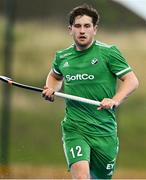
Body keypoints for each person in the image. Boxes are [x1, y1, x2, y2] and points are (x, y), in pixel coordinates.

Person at [42, 4, 139, 179]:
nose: (82, 31)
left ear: (95, 29)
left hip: (104, 130)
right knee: (81, 177)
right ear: (70, 29)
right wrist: (51, 89)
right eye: (77, 26)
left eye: (87, 26)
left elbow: (132, 81)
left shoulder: (108, 53)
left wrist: (115, 99)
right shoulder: (62, 57)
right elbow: (55, 77)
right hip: (75, 128)